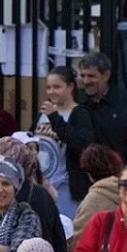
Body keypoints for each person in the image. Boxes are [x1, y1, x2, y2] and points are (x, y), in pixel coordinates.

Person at [35, 66, 94, 206]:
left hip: (66, 187)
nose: (51, 91)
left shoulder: (80, 113)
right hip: (42, 184)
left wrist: (55, 118)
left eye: (57, 87)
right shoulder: (44, 113)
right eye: (48, 87)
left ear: (70, 87)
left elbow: (82, 145)